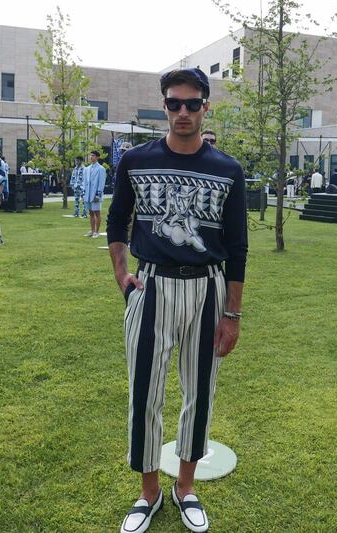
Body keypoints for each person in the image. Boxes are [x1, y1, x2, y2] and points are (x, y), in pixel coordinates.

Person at [107, 67, 247, 533]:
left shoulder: (227, 169)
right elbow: (117, 221)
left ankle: (184, 486)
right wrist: (123, 275)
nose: (182, 112)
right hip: (152, 287)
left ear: (206, 106)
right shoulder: (135, 161)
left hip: (207, 289)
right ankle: (148, 493)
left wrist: (232, 313)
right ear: (164, 106)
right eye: (174, 103)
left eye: (192, 103)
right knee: (145, 393)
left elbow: (238, 247)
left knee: (199, 392)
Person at [83, 150, 106, 237]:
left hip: (95, 193)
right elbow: (84, 182)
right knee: (91, 213)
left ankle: (97, 231)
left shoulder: (101, 169)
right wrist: (84, 192)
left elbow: (101, 182)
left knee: (97, 213)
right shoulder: (87, 168)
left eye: (93, 155)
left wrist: (98, 194)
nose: (91, 157)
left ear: (97, 157)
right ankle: (92, 231)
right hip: (88, 194)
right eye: (90, 155)